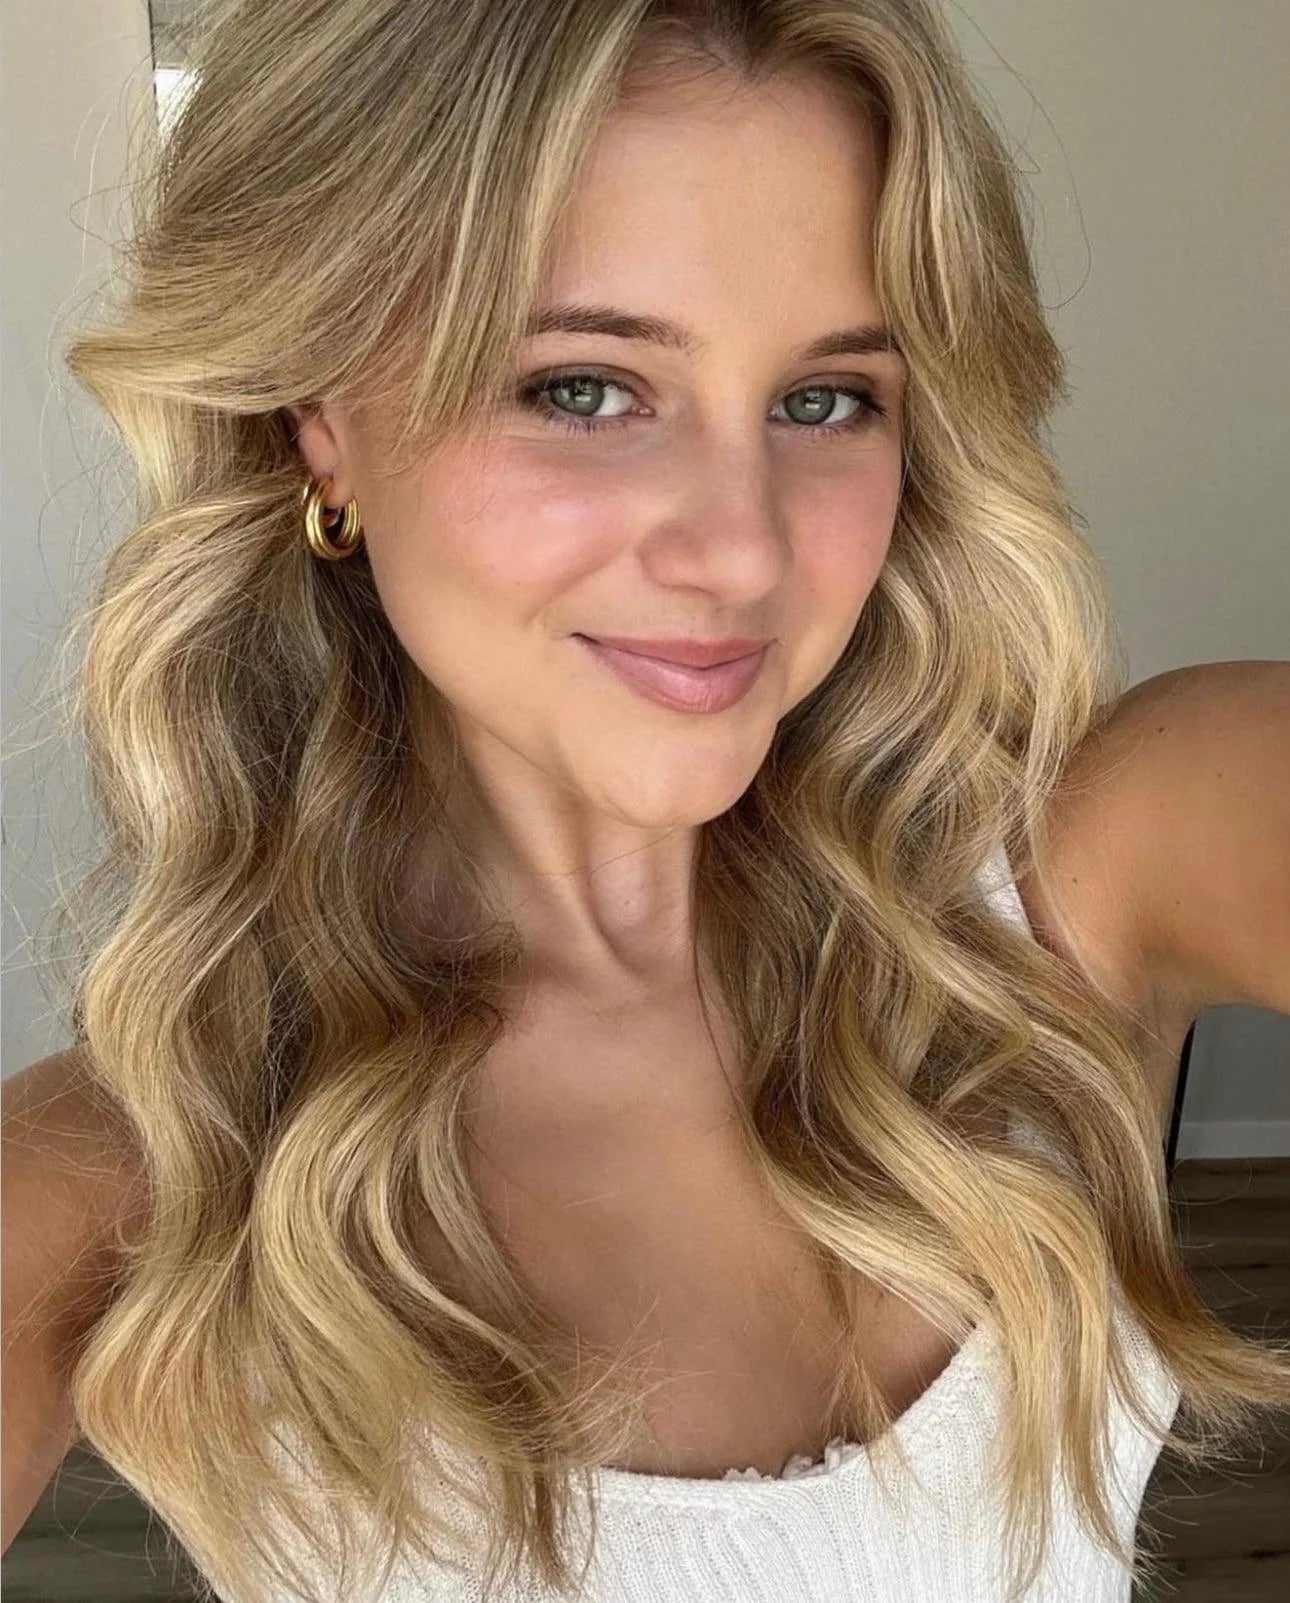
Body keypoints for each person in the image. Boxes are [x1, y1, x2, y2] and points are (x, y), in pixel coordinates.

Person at [4, 1, 1288, 1600]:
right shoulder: (135, 1173)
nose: (741, 547)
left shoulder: (1072, 887)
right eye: (584, 389)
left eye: (824, 400)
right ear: (318, 419)